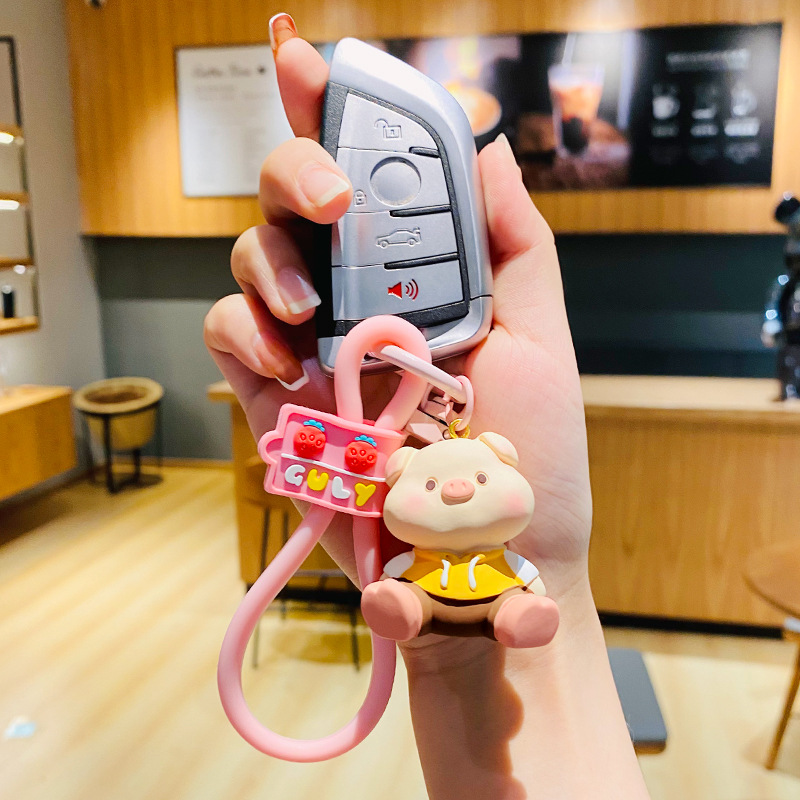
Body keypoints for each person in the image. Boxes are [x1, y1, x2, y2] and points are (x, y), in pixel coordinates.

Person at [204, 14, 651, 799]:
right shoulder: (403, 464)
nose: (453, 490)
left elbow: (524, 564)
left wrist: (546, 595)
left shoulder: (492, 483)